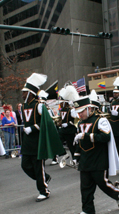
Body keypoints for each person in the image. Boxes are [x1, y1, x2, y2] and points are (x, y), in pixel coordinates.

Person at [72, 96, 119, 214]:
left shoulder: (101, 120)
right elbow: (79, 142)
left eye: (82, 111)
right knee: (85, 186)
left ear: (89, 109)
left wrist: (86, 136)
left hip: (99, 158)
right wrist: (76, 156)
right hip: (85, 159)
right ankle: (88, 209)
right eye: (78, 112)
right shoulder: (80, 123)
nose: (80, 115)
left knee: (102, 183)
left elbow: (105, 137)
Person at [20, 73, 52, 202]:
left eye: (25, 92)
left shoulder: (39, 105)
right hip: (27, 141)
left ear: (31, 93)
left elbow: (46, 122)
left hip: (37, 141)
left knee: (38, 167)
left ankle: (44, 191)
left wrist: (32, 128)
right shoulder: (23, 106)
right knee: (25, 165)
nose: (22, 94)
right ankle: (45, 177)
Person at [58, 85, 80, 163]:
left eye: (62, 102)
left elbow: (76, 120)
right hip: (63, 130)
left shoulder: (71, 110)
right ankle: (63, 153)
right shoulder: (61, 110)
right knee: (58, 138)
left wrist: (68, 124)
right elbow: (61, 119)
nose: (61, 104)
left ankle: (75, 158)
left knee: (71, 145)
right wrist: (59, 123)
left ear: (66, 102)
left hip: (70, 130)